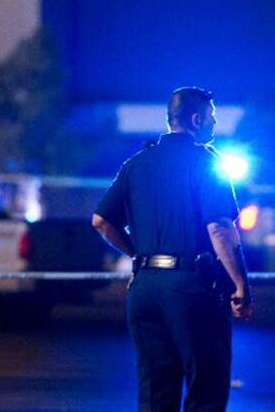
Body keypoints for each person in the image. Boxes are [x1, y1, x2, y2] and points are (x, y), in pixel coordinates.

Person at [92, 87, 252, 412]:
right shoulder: (207, 161)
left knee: (155, 392)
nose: (214, 124)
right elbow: (219, 228)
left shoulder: (137, 164)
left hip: (144, 290)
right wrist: (240, 283)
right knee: (205, 388)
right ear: (196, 119)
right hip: (192, 289)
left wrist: (138, 254)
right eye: (212, 117)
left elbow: (101, 221)